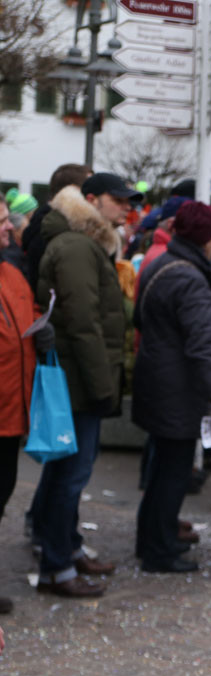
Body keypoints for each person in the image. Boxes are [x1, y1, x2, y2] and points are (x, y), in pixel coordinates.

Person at [33, 172, 142, 598]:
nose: (125, 209)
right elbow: (82, 323)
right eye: (118, 201)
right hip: (79, 382)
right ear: (92, 200)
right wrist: (103, 387)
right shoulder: (78, 246)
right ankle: (57, 567)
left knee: (64, 474)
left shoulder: (83, 242)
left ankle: (64, 550)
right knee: (69, 477)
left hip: (78, 379)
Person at [132, 202, 211, 573]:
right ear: (205, 238)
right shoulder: (190, 277)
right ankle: (159, 551)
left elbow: (139, 317)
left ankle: (151, 541)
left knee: (160, 470)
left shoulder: (162, 261)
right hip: (176, 388)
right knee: (172, 474)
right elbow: (202, 344)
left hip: (158, 378)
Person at [0, 196, 53, 613]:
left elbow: (27, 312)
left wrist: (42, 326)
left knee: (2, 499)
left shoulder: (11, 272)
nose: (10, 228)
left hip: (12, 414)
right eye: (2, 222)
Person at [23, 163, 94, 292]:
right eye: (89, 189)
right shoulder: (47, 231)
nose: (93, 198)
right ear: (72, 191)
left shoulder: (59, 225)